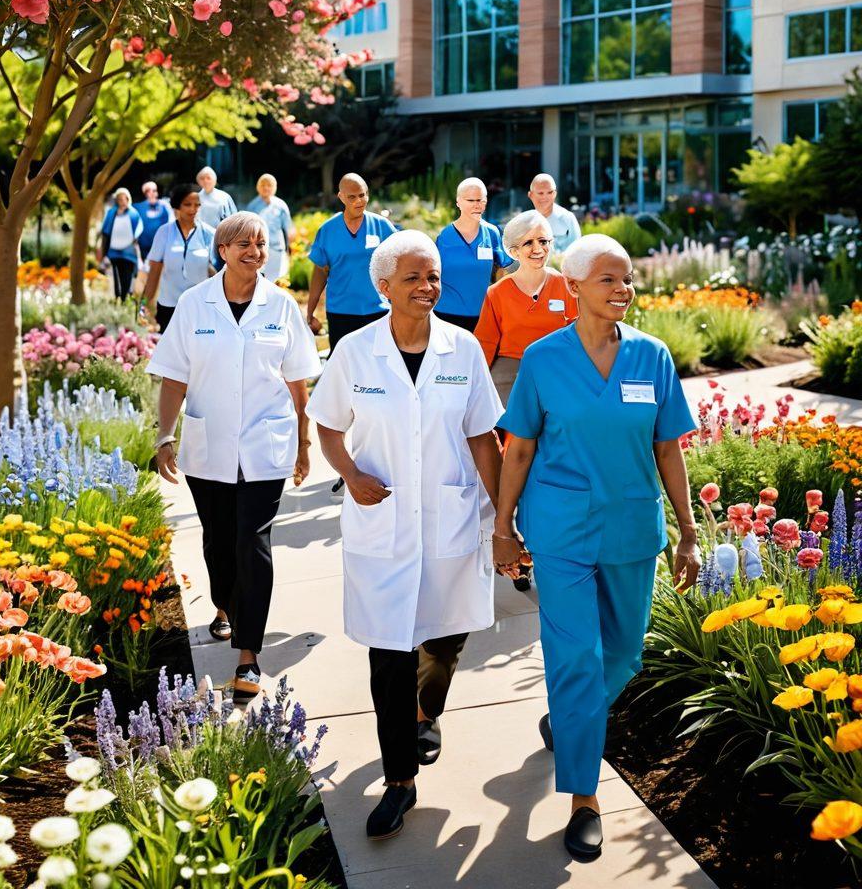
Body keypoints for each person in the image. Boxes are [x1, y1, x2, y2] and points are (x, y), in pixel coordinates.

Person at [493, 234, 700, 863]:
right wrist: (503, 527)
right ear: (574, 286)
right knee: (576, 654)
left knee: (624, 656)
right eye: (608, 278)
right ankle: (585, 797)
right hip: (559, 528)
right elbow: (521, 447)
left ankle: (570, 720)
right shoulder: (542, 359)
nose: (623, 288)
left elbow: (669, 448)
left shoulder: (653, 356)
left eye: (628, 278)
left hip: (633, 526)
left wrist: (689, 533)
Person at [307, 230, 503, 841]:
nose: (428, 287)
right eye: (414, 278)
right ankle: (399, 782)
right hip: (382, 522)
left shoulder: (463, 349)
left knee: (446, 635)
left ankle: (429, 710)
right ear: (384, 286)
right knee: (389, 650)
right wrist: (351, 474)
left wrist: (505, 518)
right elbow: (328, 426)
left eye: (434, 276)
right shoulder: (355, 352)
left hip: (451, 516)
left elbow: (482, 438)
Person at [147, 212, 321, 703]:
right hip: (208, 448)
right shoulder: (193, 305)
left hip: (267, 447)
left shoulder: (282, 307)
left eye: (261, 243)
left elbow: (298, 384)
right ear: (221, 250)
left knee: (253, 541)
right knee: (220, 543)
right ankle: (224, 603)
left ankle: (249, 655)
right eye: (243, 243)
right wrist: (164, 435)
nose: (254, 250)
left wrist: (304, 444)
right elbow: (174, 377)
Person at [475, 210, 579, 408]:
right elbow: (485, 343)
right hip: (511, 371)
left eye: (543, 241)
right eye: (528, 243)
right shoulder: (497, 292)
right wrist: (474, 386)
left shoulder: (565, 286)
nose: (538, 249)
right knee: (513, 434)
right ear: (514, 251)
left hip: (556, 369)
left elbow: (579, 335)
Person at [306, 173, 396, 352]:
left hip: (378, 311)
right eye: (352, 197)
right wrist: (310, 311)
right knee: (344, 367)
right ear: (341, 197)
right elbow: (320, 272)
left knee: (379, 364)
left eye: (362, 195)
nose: (358, 201)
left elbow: (403, 259)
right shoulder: (328, 230)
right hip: (341, 312)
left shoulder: (382, 226)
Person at [434, 177, 512, 333]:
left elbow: (501, 272)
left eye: (480, 200)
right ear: (458, 202)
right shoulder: (444, 237)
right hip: (446, 316)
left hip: (483, 316)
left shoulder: (492, 233)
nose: (477, 205)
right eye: (470, 200)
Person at [139, 184, 216, 333]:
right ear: (177, 206)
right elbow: (153, 274)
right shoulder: (164, 232)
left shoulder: (209, 234)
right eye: (187, 204)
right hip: (169, 306)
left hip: (201, 307)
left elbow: (217, 272)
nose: (193, 209)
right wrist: (143, 308)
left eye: (197, 205)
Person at [246, 173, 295, 283]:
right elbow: (247, 230)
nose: (266, 188)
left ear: (274, 187)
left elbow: (289, 228)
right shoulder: (252, 206)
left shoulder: (281, 205)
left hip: (277, 248)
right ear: (258, 187)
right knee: (260, 280)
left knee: (277, 280)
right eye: (263, 185)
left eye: (269, 185)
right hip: (258, 249)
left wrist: (291, 248)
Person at [99, 188, 143, 301]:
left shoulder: (133, 213)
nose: (122, 201)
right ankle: (118, 297)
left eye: (124, 198)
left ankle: (125, 298)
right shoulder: (111, 213)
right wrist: (103, 251)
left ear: (128, 199)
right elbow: (105, 232)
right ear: (117, 200)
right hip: (114, 252)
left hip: (129, 253)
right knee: (116, 276)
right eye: (120, 199)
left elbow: (139, 229)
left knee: (127, 276)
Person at [526, 173, 581, 254]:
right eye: (540, 193)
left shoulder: (567, 218)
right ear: (531, 195)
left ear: (555, 194)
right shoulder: (525, 222)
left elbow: (577, 251)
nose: (545, 197)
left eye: (550, 192)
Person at [136, 181, 172, 262]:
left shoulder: (165, 207)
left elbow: (172, 223)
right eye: (148, 191)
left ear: (157, 192)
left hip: (162, 247)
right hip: (145, 248)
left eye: (154, 190)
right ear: (145, 193)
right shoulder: (139, 208)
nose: (151, 193)